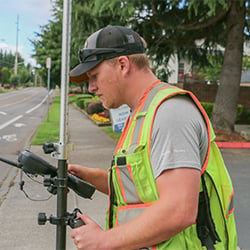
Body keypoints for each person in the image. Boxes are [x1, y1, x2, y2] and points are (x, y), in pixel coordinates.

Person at [69, 25, 237, 250]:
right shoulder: (141, 113)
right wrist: (91, 178)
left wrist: (104, 241)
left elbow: (180, 210)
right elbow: (145, 188)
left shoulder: (169, 113)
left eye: (95, 76)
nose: (91, 87)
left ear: (122, 65)